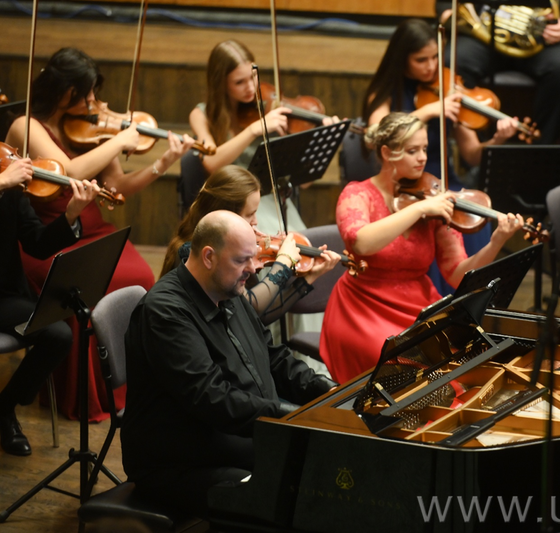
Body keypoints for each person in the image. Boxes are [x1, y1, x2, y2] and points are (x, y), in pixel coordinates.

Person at [4, 47, 195, 421]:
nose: (95, 103)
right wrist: (119, 141)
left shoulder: (86, 129)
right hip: (48, 236)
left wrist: (163, 162)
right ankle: (84, 396)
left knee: (139, 277)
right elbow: (69, 171)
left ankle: (129, 386)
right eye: (86, 93)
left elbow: (118, 186)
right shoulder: (26, 125)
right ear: (65, 92)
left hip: (89, 227)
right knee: (82, 291)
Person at [123, 210, 336, 517]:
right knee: (290, 489)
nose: (254, 268)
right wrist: (291, 417)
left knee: (320, 466)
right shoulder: (165, 312)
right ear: (209, 256)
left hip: (229, 438)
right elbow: (213, 398)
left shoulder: (227, 288)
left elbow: (273, 357)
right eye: (242, 260)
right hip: (180, 462)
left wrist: (326, 391)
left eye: (252, 258)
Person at [319, 113, 524, 384]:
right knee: (403, 366)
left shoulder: (433, 200)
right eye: (412, 151)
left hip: (417, 306)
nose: (423, 158)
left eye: (425, 149)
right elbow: (361, 241)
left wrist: (496, 241)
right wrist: (419, 209)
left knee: (465, 359)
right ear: (387, 153)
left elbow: (457, 274)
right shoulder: (357, 194)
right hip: (361, 309)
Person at [363, 18, 517, 295]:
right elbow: (374, 134)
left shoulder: (447, 90)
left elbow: (472, 155)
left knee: (474, 219)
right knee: (430, 220)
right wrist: (429, 111)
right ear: (402, 59)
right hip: (405, 190)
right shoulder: (387, 92)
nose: (432, 66)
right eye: (421, 60)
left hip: (444, 185)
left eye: (436, 57)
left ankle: (468, 305)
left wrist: (498, 139)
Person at [0, 157, 100, 455]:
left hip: (6, 297)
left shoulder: (11, 186)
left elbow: (38, 243)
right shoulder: (5, 179)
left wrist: (71, 213)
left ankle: (4, 407)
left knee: (59, 334)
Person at [189, 40, 337, 235]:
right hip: (232, 203)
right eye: (239, 82)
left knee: (302, 243)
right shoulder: (202, 115)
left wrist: (325, 138)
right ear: (221, 83)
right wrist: (254, 130)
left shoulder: (268, 111)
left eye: (253, 77)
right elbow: (211, 162)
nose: (251, 87)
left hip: (271, 200)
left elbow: (303, 183)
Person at [161, 165, 339, 325]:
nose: (256, 222)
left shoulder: (230, 248)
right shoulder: (194, 253)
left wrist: (308, 279)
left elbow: (258, 318)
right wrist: (283, 263)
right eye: (250, 214)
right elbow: (249, 307)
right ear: (226, 213)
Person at [439, 3, 560, 144]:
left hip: (542, 35)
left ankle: (543, 146)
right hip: (483, 30)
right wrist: (446, 8)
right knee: (453, 61)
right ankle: (477, 149)